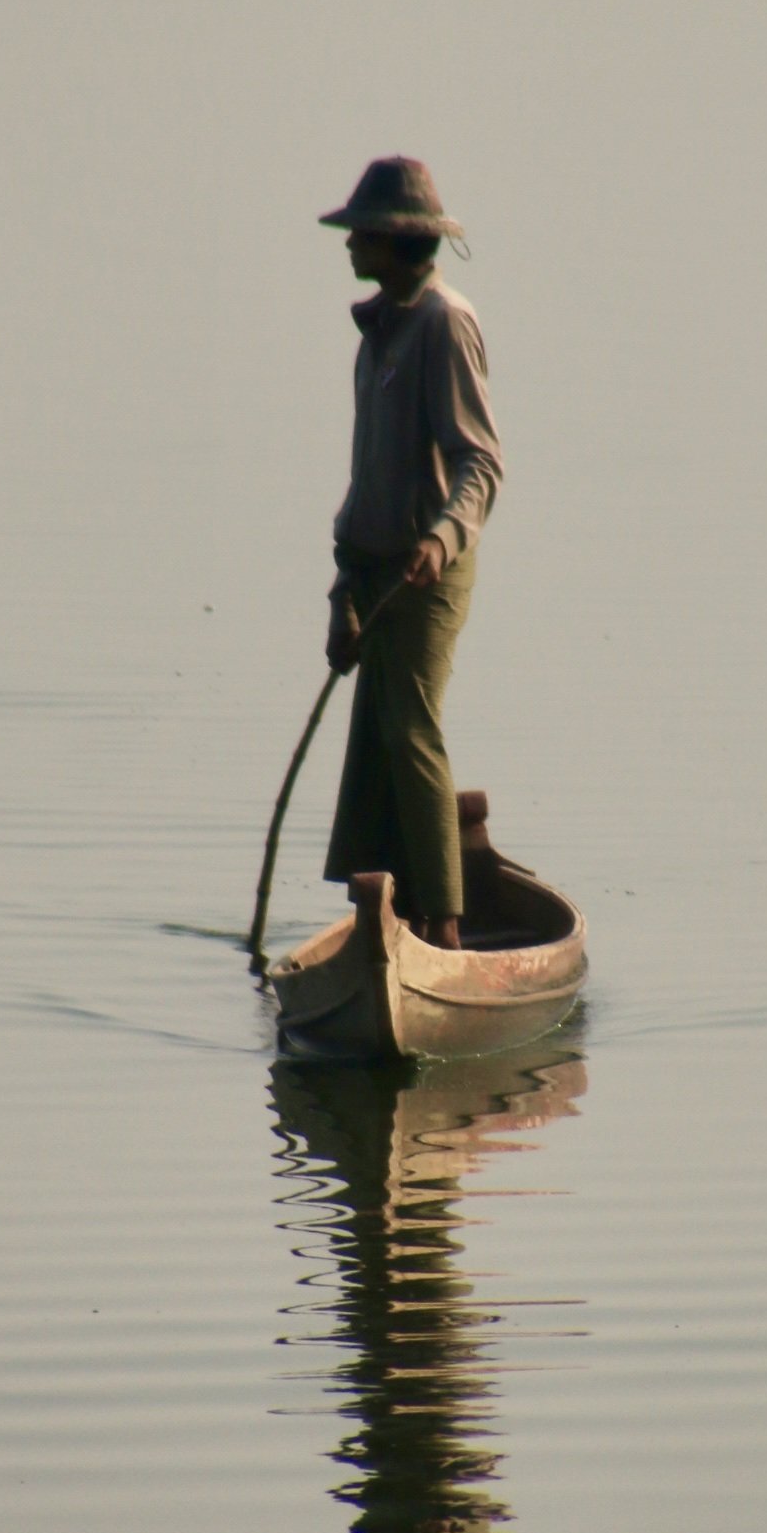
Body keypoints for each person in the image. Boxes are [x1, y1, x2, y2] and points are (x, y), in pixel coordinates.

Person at [317, 156, 502, 951]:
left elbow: (480, 462)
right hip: (373, 571)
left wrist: (440, 537)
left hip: (430, 571)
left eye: (362, 233)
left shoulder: (443, 322)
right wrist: (342, 596)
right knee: (373, 746)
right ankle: (399, 914)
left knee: (410, 731)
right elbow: (366, 484)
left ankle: (447, 932)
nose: (351, 245)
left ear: (397, 242)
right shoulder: (378, 334)